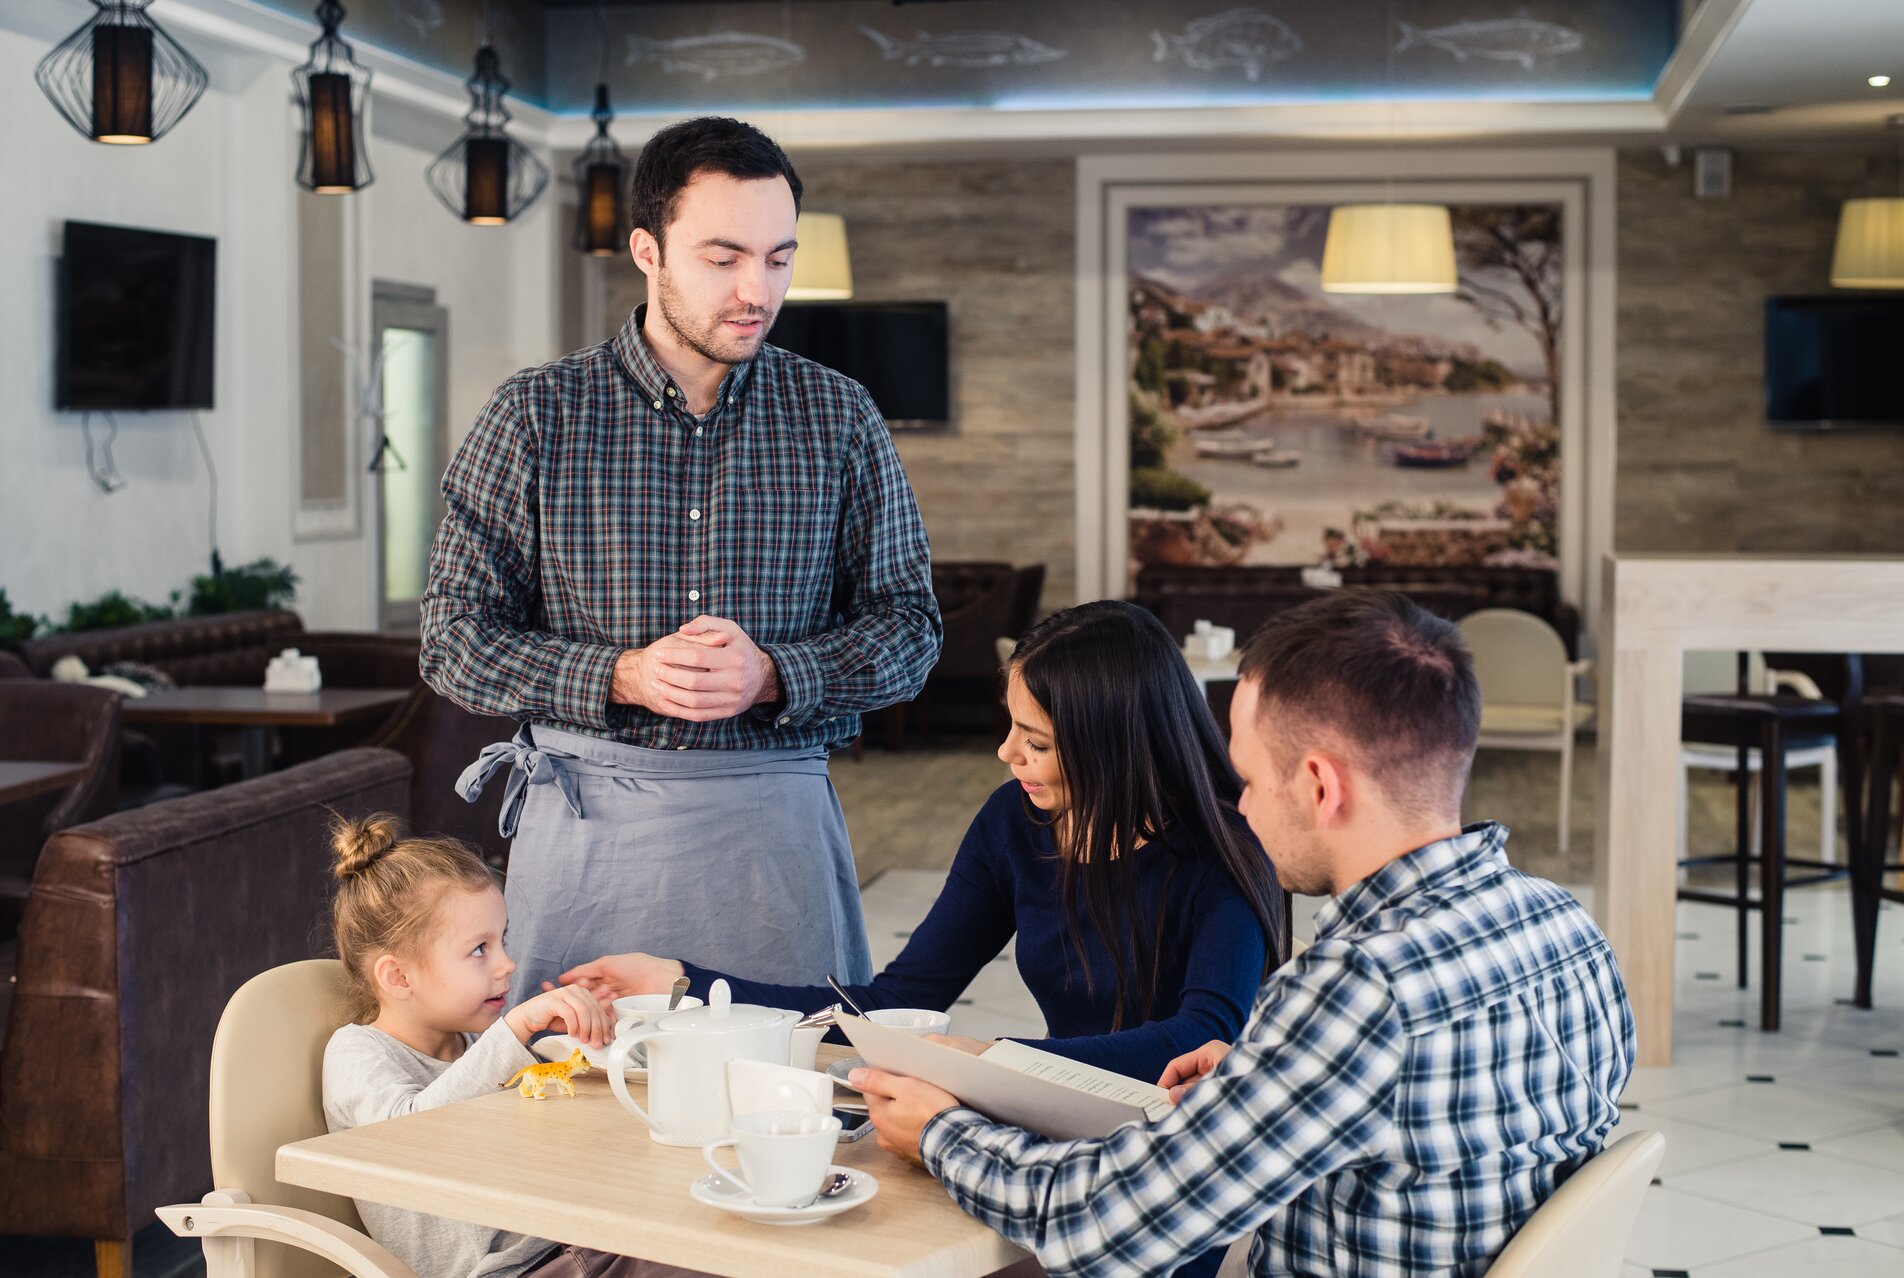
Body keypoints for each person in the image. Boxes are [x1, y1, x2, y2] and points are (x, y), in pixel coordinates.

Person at [850, 591, 1634, 1278]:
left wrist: (942, 1132)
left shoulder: (1359, 991)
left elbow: (1100, 1229)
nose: (1243, 811)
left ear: (1321, 785)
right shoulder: (1566, 928)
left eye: (1251, 781)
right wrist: (1261, 1075)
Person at [421, 116, 942, 1004]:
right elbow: (451, 639)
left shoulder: (840, 416)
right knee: (566, 1115)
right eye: (723, 256)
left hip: (777, 845)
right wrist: (620, 674)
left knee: (795, 1101)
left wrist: (777, 674)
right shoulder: (535, 415)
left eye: (779, 257)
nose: (758, 289)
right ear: (647, 251)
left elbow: (912, 630)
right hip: (588, 837)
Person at [557, 601, 1289, 1085]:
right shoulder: (1015, 823)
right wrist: (684, 987)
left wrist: (982, 1063)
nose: (1007, 755)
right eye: (1009, 728)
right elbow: (899, 998)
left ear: (1114, 746)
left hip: (1183, 1132)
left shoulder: (1227, 851)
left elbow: (1195, 1042)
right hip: (1051, 1106)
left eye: (1035, 741)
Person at [319, 813, 701, 1278]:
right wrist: (516, 1028)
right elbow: (407, 1135)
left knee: (696, 1219)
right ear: (398, 976)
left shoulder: (475, 1043)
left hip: (563, 1245)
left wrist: (587, 1052)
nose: (507, 964)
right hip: (505, 1270)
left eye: (503, 940)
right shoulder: (357, 1051)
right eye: (480, 949)